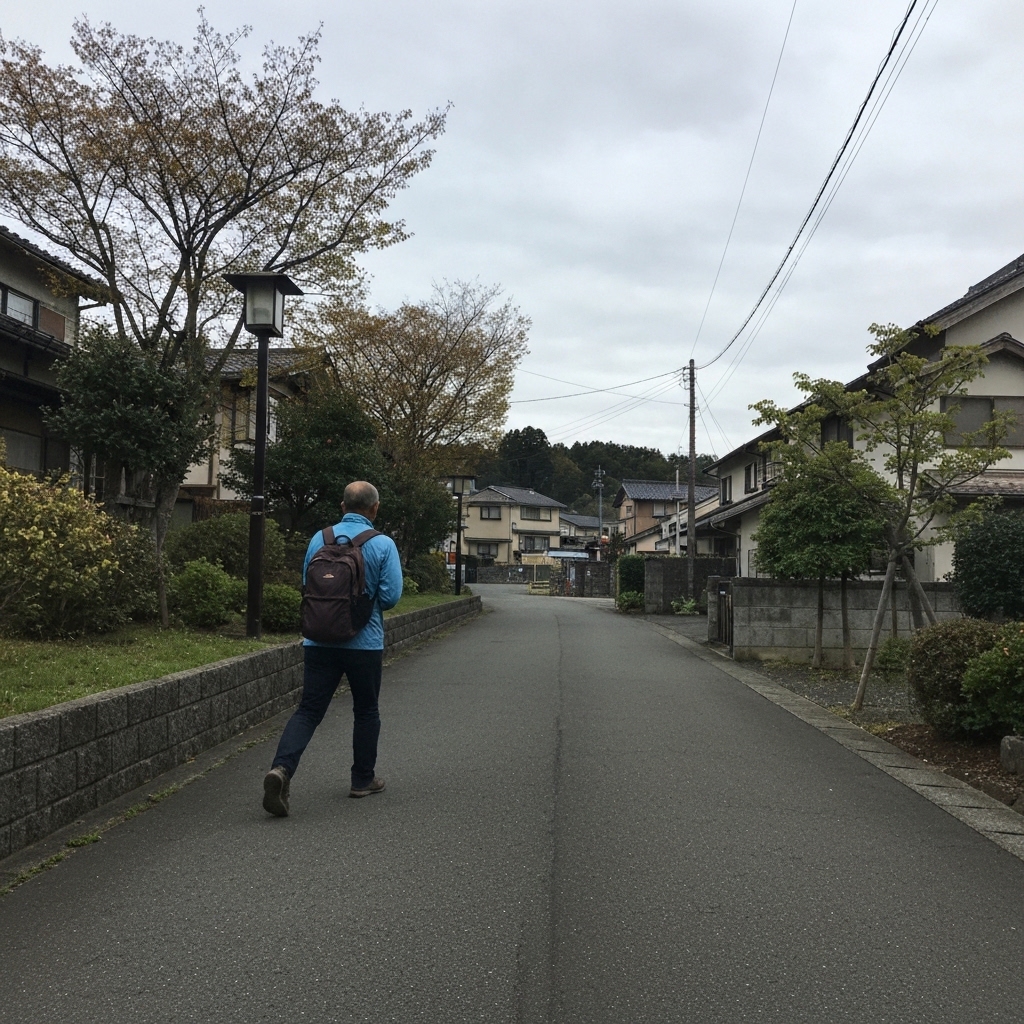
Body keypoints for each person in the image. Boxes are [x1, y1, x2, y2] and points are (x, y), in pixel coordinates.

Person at [262, 480, 403, 816]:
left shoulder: (319, 539)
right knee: (366, 710)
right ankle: (361, 780)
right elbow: (390, 597)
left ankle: (281, 769)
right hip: (364, 643)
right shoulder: (382, 544)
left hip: (319, 640)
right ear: (375, 509)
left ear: (342, 507)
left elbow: (305, 584)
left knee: (308, 710)